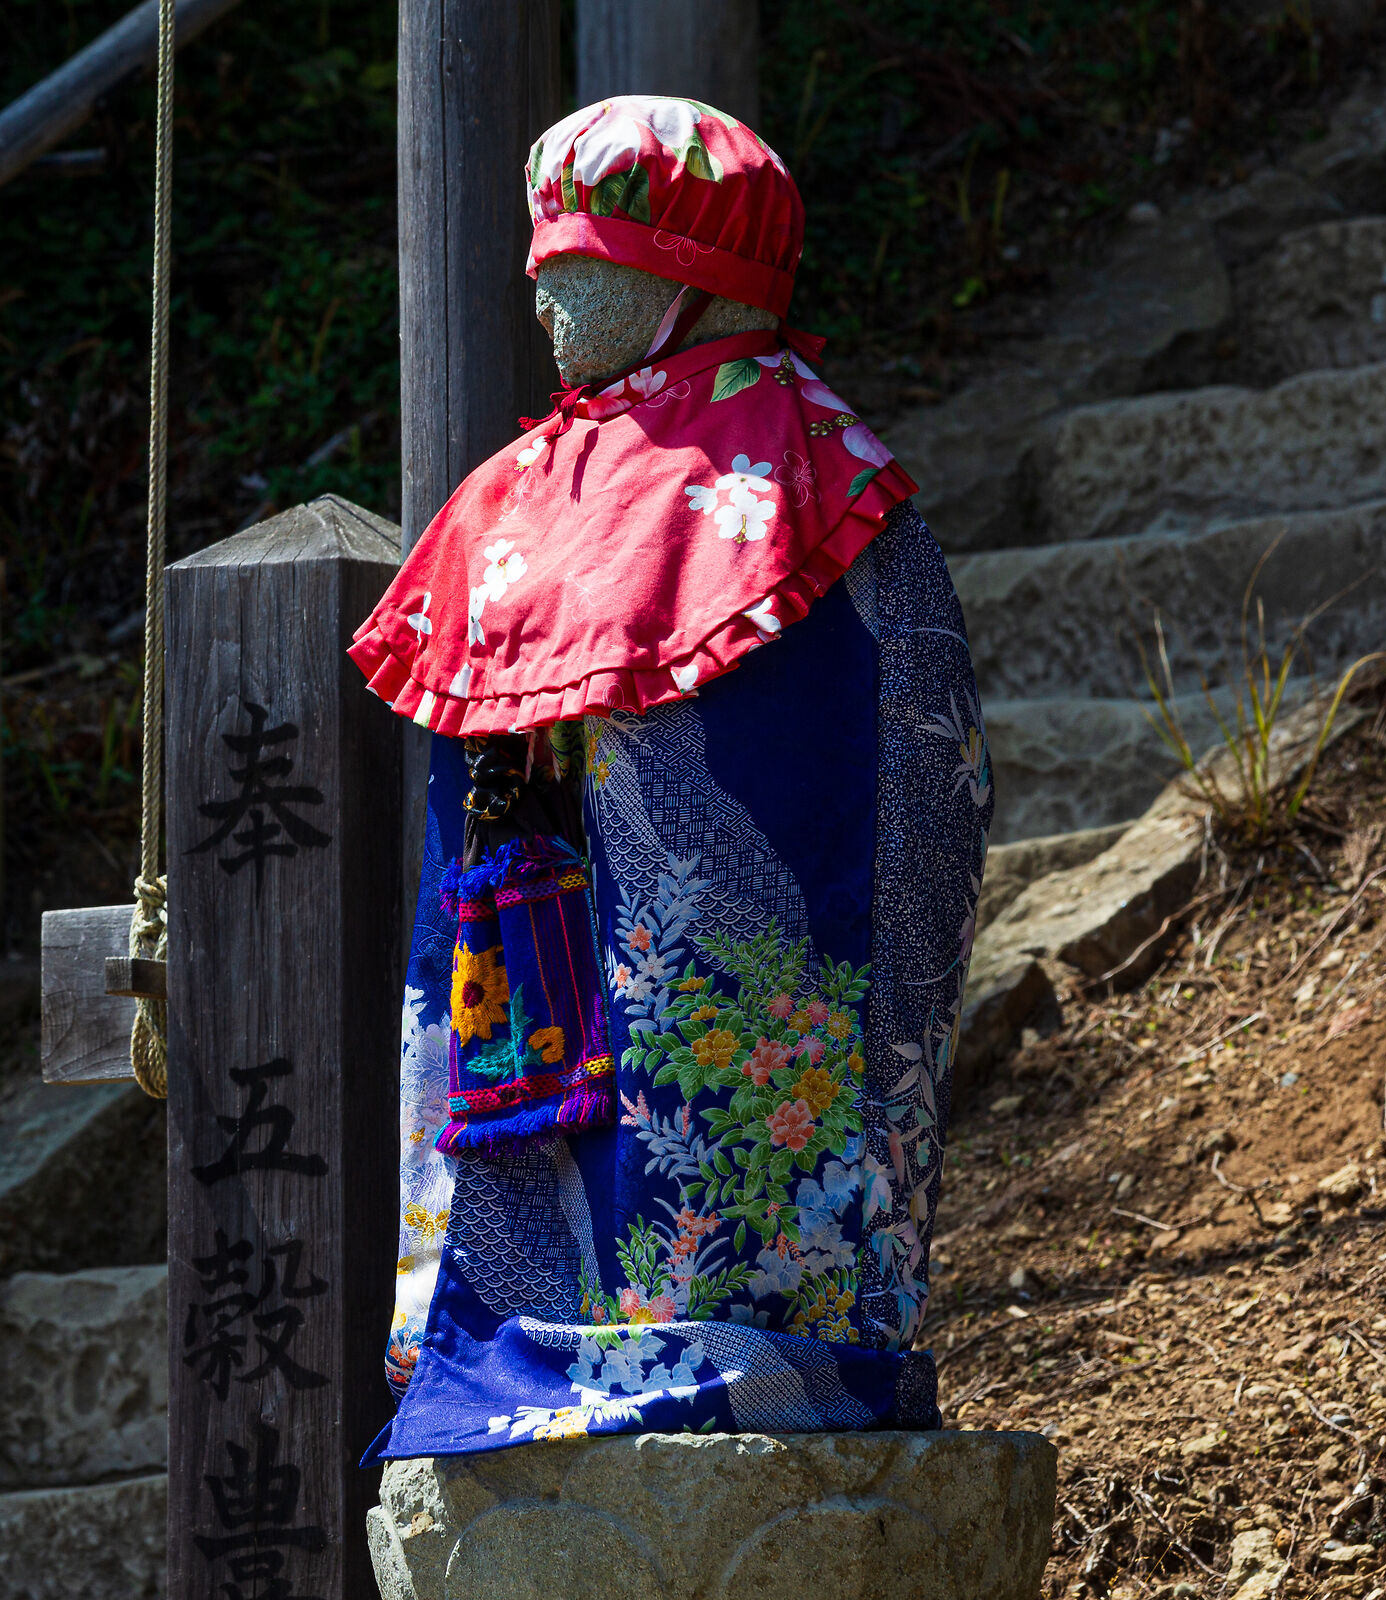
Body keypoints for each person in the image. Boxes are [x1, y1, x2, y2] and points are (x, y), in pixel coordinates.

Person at [350, 96, 991, 1457]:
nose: (547, 294)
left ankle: (772, 1333)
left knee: (743, 1038)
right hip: (530, 937)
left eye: (585, 262)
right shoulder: (514, 492)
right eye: (543, 263)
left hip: (729, 929)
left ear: (690, 274)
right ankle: (491, 1334)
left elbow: (912, 793)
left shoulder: (823, 488)